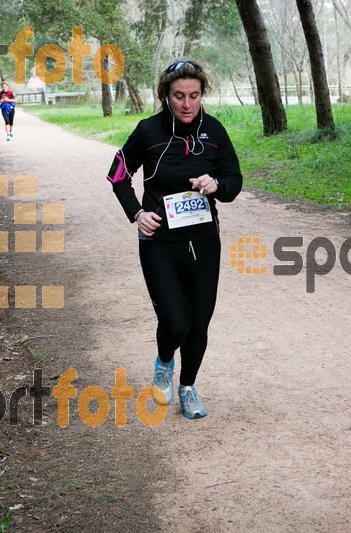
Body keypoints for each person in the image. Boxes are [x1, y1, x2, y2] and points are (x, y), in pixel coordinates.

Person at [105, 60, 242, 419]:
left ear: (202, 96)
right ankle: (164, 361)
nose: (186, 104)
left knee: (199, 323)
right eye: (179, 96)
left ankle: (188, 387)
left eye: (194, 96)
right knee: (176, 322)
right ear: (166, 95)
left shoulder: (214, 131)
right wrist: (137, 212)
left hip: (204, 241)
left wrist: (217, 185)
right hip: (160, 243)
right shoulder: (149, 131)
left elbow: (233, 180)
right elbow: (118, 172)